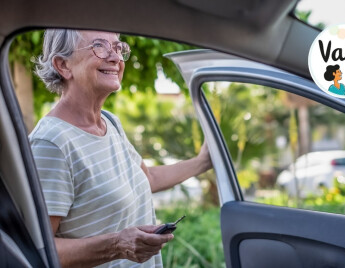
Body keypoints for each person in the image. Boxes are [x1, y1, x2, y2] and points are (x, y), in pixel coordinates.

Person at [30, 29, 213, 268]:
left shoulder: (109, 122)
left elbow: (146, 178)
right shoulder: (51, 143)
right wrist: (117, 245)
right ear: (63, 65)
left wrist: (203, 161)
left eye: (117, 47)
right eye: (99, 46)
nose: (115, 57)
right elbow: (38, 250)